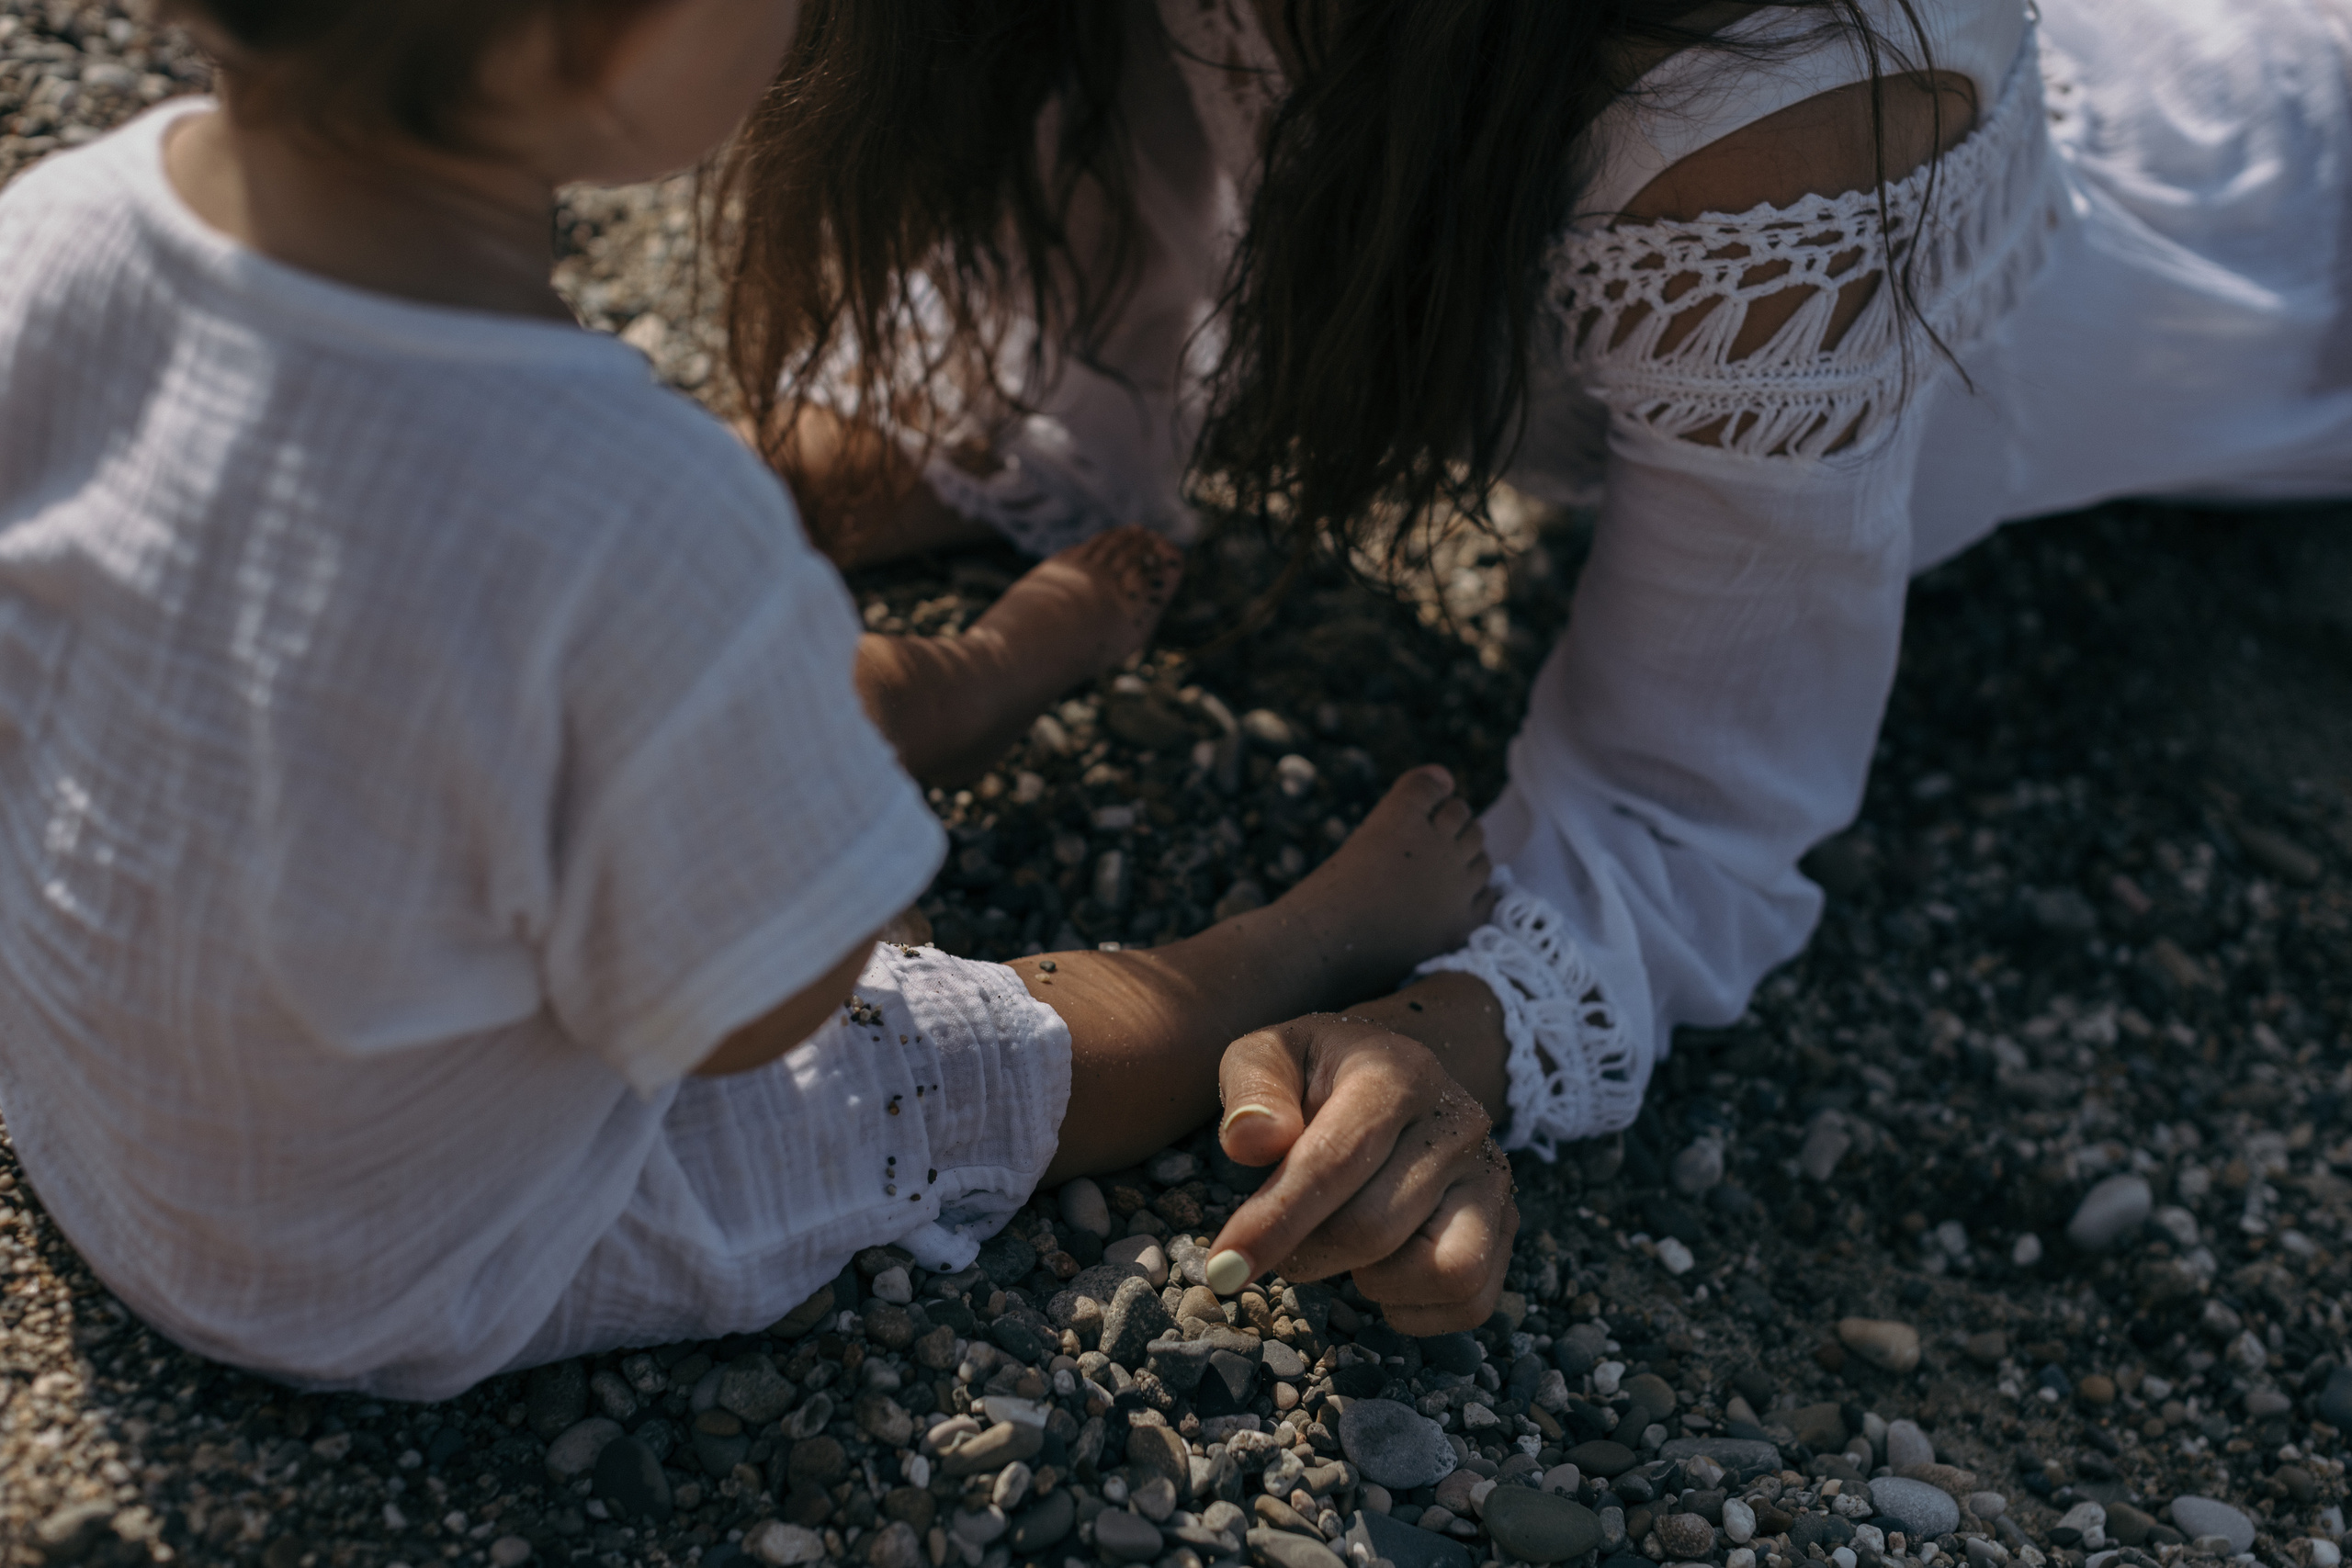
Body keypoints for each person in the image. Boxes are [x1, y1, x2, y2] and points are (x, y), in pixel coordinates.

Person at [0, 0, 1515, 1401]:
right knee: (932, 1053)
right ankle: (1287, 952)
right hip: (377, 1266)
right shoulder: (641, 520)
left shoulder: (56, 233)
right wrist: (803, 903)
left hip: (83, 1113)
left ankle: (965, 682)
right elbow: (748, 1019)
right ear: (620, 36)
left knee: (633, 710)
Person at [722, 0, 2352, 1159]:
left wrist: (1445, 1036)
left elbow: (1688, 803)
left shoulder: (1785, 89)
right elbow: (1108, 296)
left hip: (2280, 262)